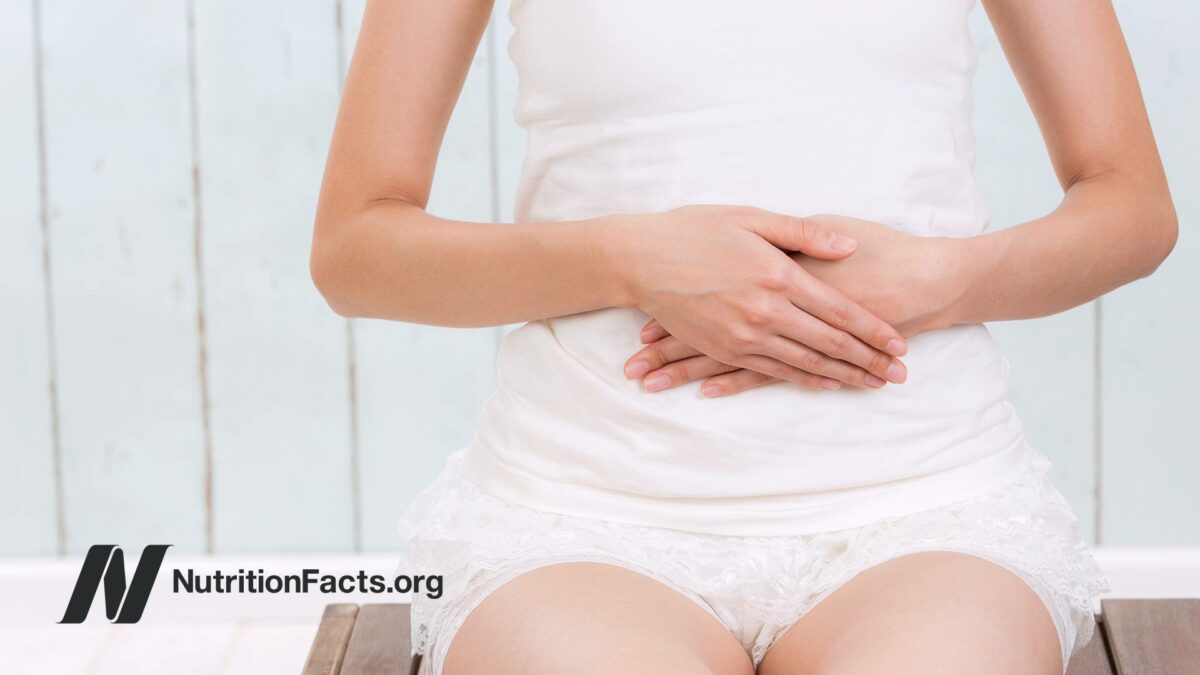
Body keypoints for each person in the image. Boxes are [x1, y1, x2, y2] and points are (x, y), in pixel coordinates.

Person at [310, 0, 1176, 673]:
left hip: (922, 508)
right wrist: (627, 257)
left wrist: (937, 278)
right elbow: (355, 249)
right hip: (581, 515)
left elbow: (1132, 207)